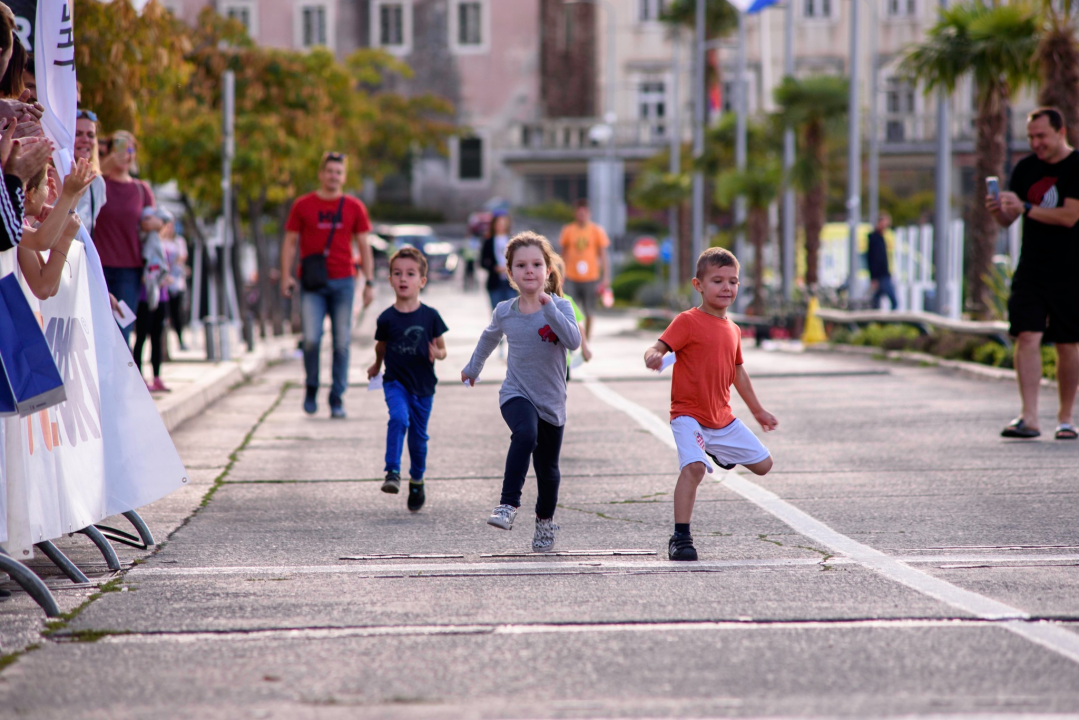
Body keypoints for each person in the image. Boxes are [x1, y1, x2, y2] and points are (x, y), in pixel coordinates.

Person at [644, 248, 778, 562]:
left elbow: (738, 372)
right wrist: (653, 355)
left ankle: (719, 451)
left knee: (764, 465)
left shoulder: (734, 330)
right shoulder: (688, 321)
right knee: (693, 469)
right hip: (688, 415)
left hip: (723, 419)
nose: (726, 287)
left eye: (733, 281)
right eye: (717, 281)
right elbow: (659, 347)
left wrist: (758, 411)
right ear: (698, 285)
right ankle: (681, 537)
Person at [461, 231, 581, 552]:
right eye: (521, 265)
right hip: (516, 393)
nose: (530, 270)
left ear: (548, 271)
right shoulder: (505, 311)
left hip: (552, 402)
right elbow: (488, 339)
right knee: (525, 434)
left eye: (536, 264)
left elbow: (573, 342)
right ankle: (507, 505)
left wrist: (550, 310)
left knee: (548, 472)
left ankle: (544, 522)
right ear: (510, 273)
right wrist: (473, 368)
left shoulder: (562, 306)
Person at [987, 107, 1079, 441]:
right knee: (1026, 334)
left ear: (1060, 132)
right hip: (1032, 268)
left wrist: (1025, 207)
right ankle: (1029, 417)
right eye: (1030, 137)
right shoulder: (1025, 169)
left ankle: (1066, 418)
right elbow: (1009, 221)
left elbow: (1070, 216)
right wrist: (1002, 210)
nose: (1036, 143)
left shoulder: (1076, 166)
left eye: (1041, 136)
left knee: (1068, 344)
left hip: (1070, 269)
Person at [280, 151, 375, 419]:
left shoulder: (354, 207)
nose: (333, 176)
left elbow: (364, 246)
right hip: (313, 283)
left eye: (338, 172)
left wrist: (368, 282)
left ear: (343, 177)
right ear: (321, 174)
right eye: (329, 171)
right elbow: (289, 242)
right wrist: (286, 275)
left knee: (342, 342)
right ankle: (311, 386)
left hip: (344, 281)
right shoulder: (303, 205)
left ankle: (337, 397)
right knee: (311, 339)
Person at [367, 247, 448, 512]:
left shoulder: (431, 316)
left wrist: (437, 352)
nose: (403, 279)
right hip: (395, 382)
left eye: (410, 274)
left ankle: (417, 480)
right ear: (390, 279)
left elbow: (443, 350)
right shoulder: (386, 318)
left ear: (422, 281)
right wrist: (377, 366)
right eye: (397, 273)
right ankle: (392, 472)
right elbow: (381, 347)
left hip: (424, 387)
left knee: (418, 439)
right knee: (399, 418)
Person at [95, 131, 163, 344]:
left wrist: (158, 224)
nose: (125, 154)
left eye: (130, 149)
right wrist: (105, 164)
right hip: (97, 268)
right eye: (120, 148)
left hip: (129, 271)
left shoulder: (141, 189)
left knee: (122, 333)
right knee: (98, 330)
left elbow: (155, 219)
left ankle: (122, 376)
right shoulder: (98, 182)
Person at [558, 199, 611, 341]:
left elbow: (603, 255)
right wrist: (559, 274)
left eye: (584, 213)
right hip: (571, 276)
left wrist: (605, 277)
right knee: (570, 309)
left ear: (589, 213)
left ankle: (586, 340)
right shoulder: (568, 230)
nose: (582, 216)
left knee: (589, 311)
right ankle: (573, 337)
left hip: (591, 277)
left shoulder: (597, 231)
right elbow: (562, 254)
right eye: (579, 213)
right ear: (576, 214)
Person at [73, 109, 106, 237]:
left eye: (91, 135)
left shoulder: (97, 183)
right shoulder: (50, 175)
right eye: (78, 133)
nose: (85, 139)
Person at [161, 220, 189, 350]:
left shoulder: (178, 242)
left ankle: (180, 341)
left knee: (177, 314)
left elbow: (182, 258)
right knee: (163, 316)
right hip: (163, 285)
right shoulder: (160, 240)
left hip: (176, 284)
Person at [479, 210, 515, 310]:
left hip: (510, 283)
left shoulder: (513, 240)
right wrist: (494, 268)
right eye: (498, 224)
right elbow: (482, 262)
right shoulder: (488, 241)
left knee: (511, 313)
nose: (501, 226)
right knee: (496, 313)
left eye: (503, 224)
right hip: (494, 282)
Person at [866, 212, 897, 311]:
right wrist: (873, 277)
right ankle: (888, 322)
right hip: (881, 276)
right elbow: (872, 259)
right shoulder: (874, 238)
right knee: (894, 301)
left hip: (884, 274)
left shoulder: (883, 237)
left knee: (875, 301)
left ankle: (877, 322)